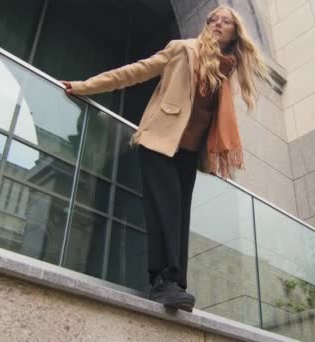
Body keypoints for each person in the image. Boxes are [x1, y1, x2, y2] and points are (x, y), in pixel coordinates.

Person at [62, 5, 268, 312]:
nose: (217, 24)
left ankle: (176, 284)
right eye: (213, 19)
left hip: (188, 153)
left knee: (181, 215)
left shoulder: (226, 71)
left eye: (226, 21)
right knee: (166, 209)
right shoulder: (183, 50)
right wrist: (85, 86)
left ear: (235, 33)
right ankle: (162, 281)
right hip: (159, 140)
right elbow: (134, 72)